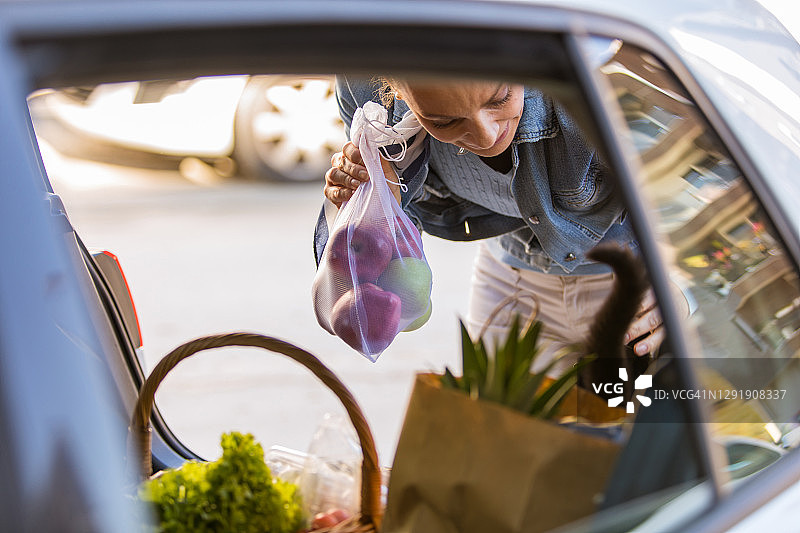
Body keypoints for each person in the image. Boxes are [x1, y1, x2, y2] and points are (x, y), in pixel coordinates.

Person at [315, 75, 680, 370]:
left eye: (499, 98)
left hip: (632, 288)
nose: (487, 135)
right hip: (509, 282)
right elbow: (385, 253)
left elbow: (692, 175)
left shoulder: (593, 77)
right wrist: (380, 202)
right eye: (444, 121)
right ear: (395, 89)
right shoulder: (366, 89)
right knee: (504, 435)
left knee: (636, 435)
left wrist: (683, 282)